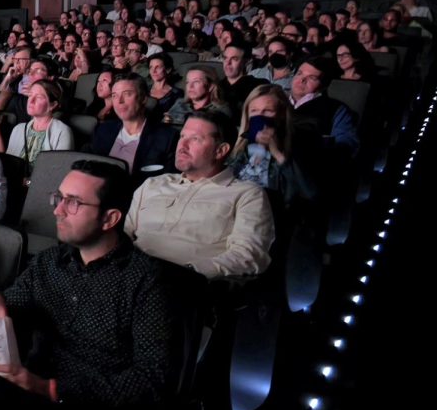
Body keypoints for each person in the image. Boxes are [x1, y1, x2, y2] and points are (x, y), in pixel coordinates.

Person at [0, 160, 175, 410]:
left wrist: (50, 388)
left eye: (73, 202)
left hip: (86, 402)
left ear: (109, 218)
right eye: (59, 197)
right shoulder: (51, 262)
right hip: (27, 391)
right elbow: (12, 303)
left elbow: (152, 379)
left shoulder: (146, 281)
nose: (58, 210)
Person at [126, 111, 274, 279]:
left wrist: (189, 274)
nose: (182, 145)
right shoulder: (153, 184)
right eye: (182, 136)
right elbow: (124, 235)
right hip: (127, 275)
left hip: (187, 285)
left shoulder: (247, 195)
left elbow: (248, 255)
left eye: (195, 139)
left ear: (220, 151)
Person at [228, 84, 313, 208]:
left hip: (273, 212)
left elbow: (308, 194)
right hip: (234, 206)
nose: (260, 116)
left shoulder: (300, 143)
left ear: (282, 114)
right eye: (254, 111)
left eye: (268, 111)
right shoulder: (238, 144)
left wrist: (277, 153)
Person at [90, 74, 177, 179]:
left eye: (127, 94)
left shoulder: (167, 137)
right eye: (114, 95)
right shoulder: (103, 130)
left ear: (144, 98)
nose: (119, 101)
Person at [0, 80, 73, 164]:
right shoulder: (18, 129)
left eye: (38, 97)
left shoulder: (62, 132)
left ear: (53, 105)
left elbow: (60, 170)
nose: (31, 101)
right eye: (30, 95)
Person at [164, 67, 231, 126]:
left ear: (210, 86)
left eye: (196, 82)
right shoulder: (180, 103)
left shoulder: (221, 110)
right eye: (188, 82)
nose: (190, 86)